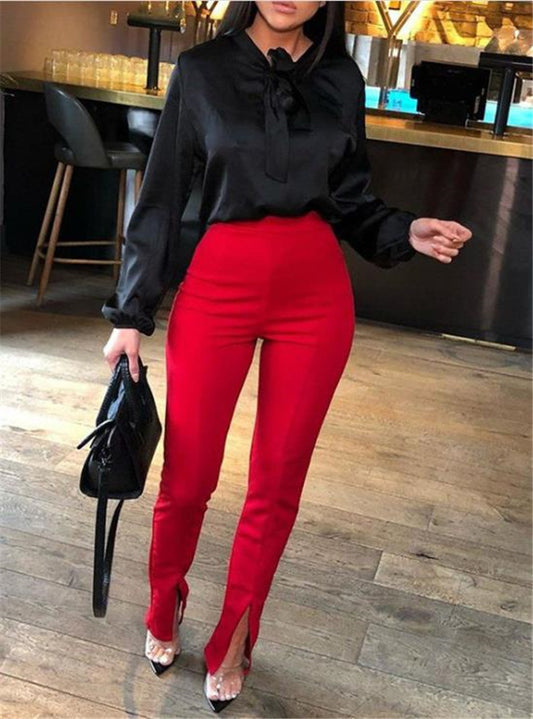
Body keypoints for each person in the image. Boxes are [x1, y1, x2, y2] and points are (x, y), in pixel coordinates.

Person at [101, 1, 472, 712]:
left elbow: (350, 199)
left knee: (277, 484)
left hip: (314, 294)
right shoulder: (201, 71)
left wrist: (403, 230)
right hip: (218, 283)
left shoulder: (340, 77)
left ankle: (237, 633)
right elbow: (164, 194)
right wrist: (130, 314)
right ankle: (162, 600)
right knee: (189, 474)